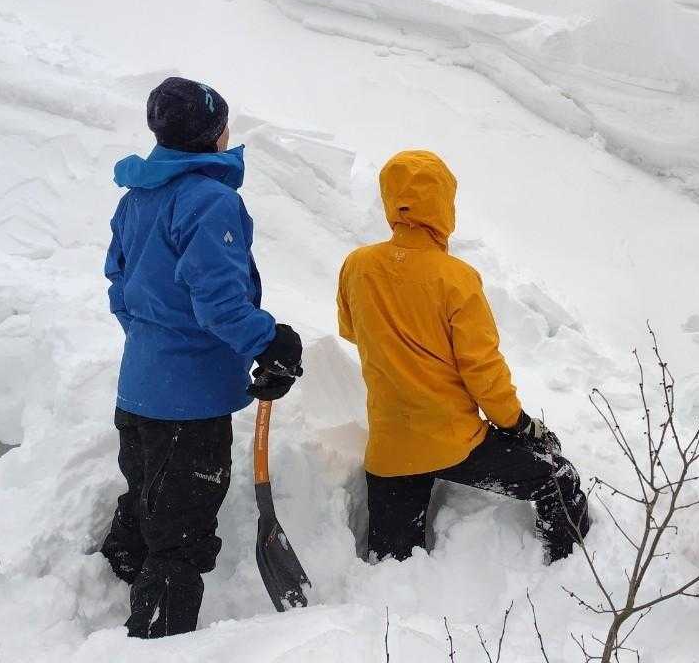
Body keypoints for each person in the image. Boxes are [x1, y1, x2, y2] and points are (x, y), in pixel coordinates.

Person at [101, 76, 305, 639]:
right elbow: (218, 303)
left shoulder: (136, 199)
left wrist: (157, 346)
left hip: (137, 392)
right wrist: (271, 342)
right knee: (181, 540)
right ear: (213, 132)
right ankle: (155, 643)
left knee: (147, 503)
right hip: (188, 410)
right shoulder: (210, 200)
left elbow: (120, 289)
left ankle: (107, 595)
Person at [337, 150, 591, 564]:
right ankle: (570, 573)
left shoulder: (357, 266)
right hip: (455, 443)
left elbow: (352, 330)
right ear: (442, 205)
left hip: (390, 449)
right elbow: (482, 370)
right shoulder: (456, 278)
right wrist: (516, 423)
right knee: (558, 481)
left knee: (391, 569)